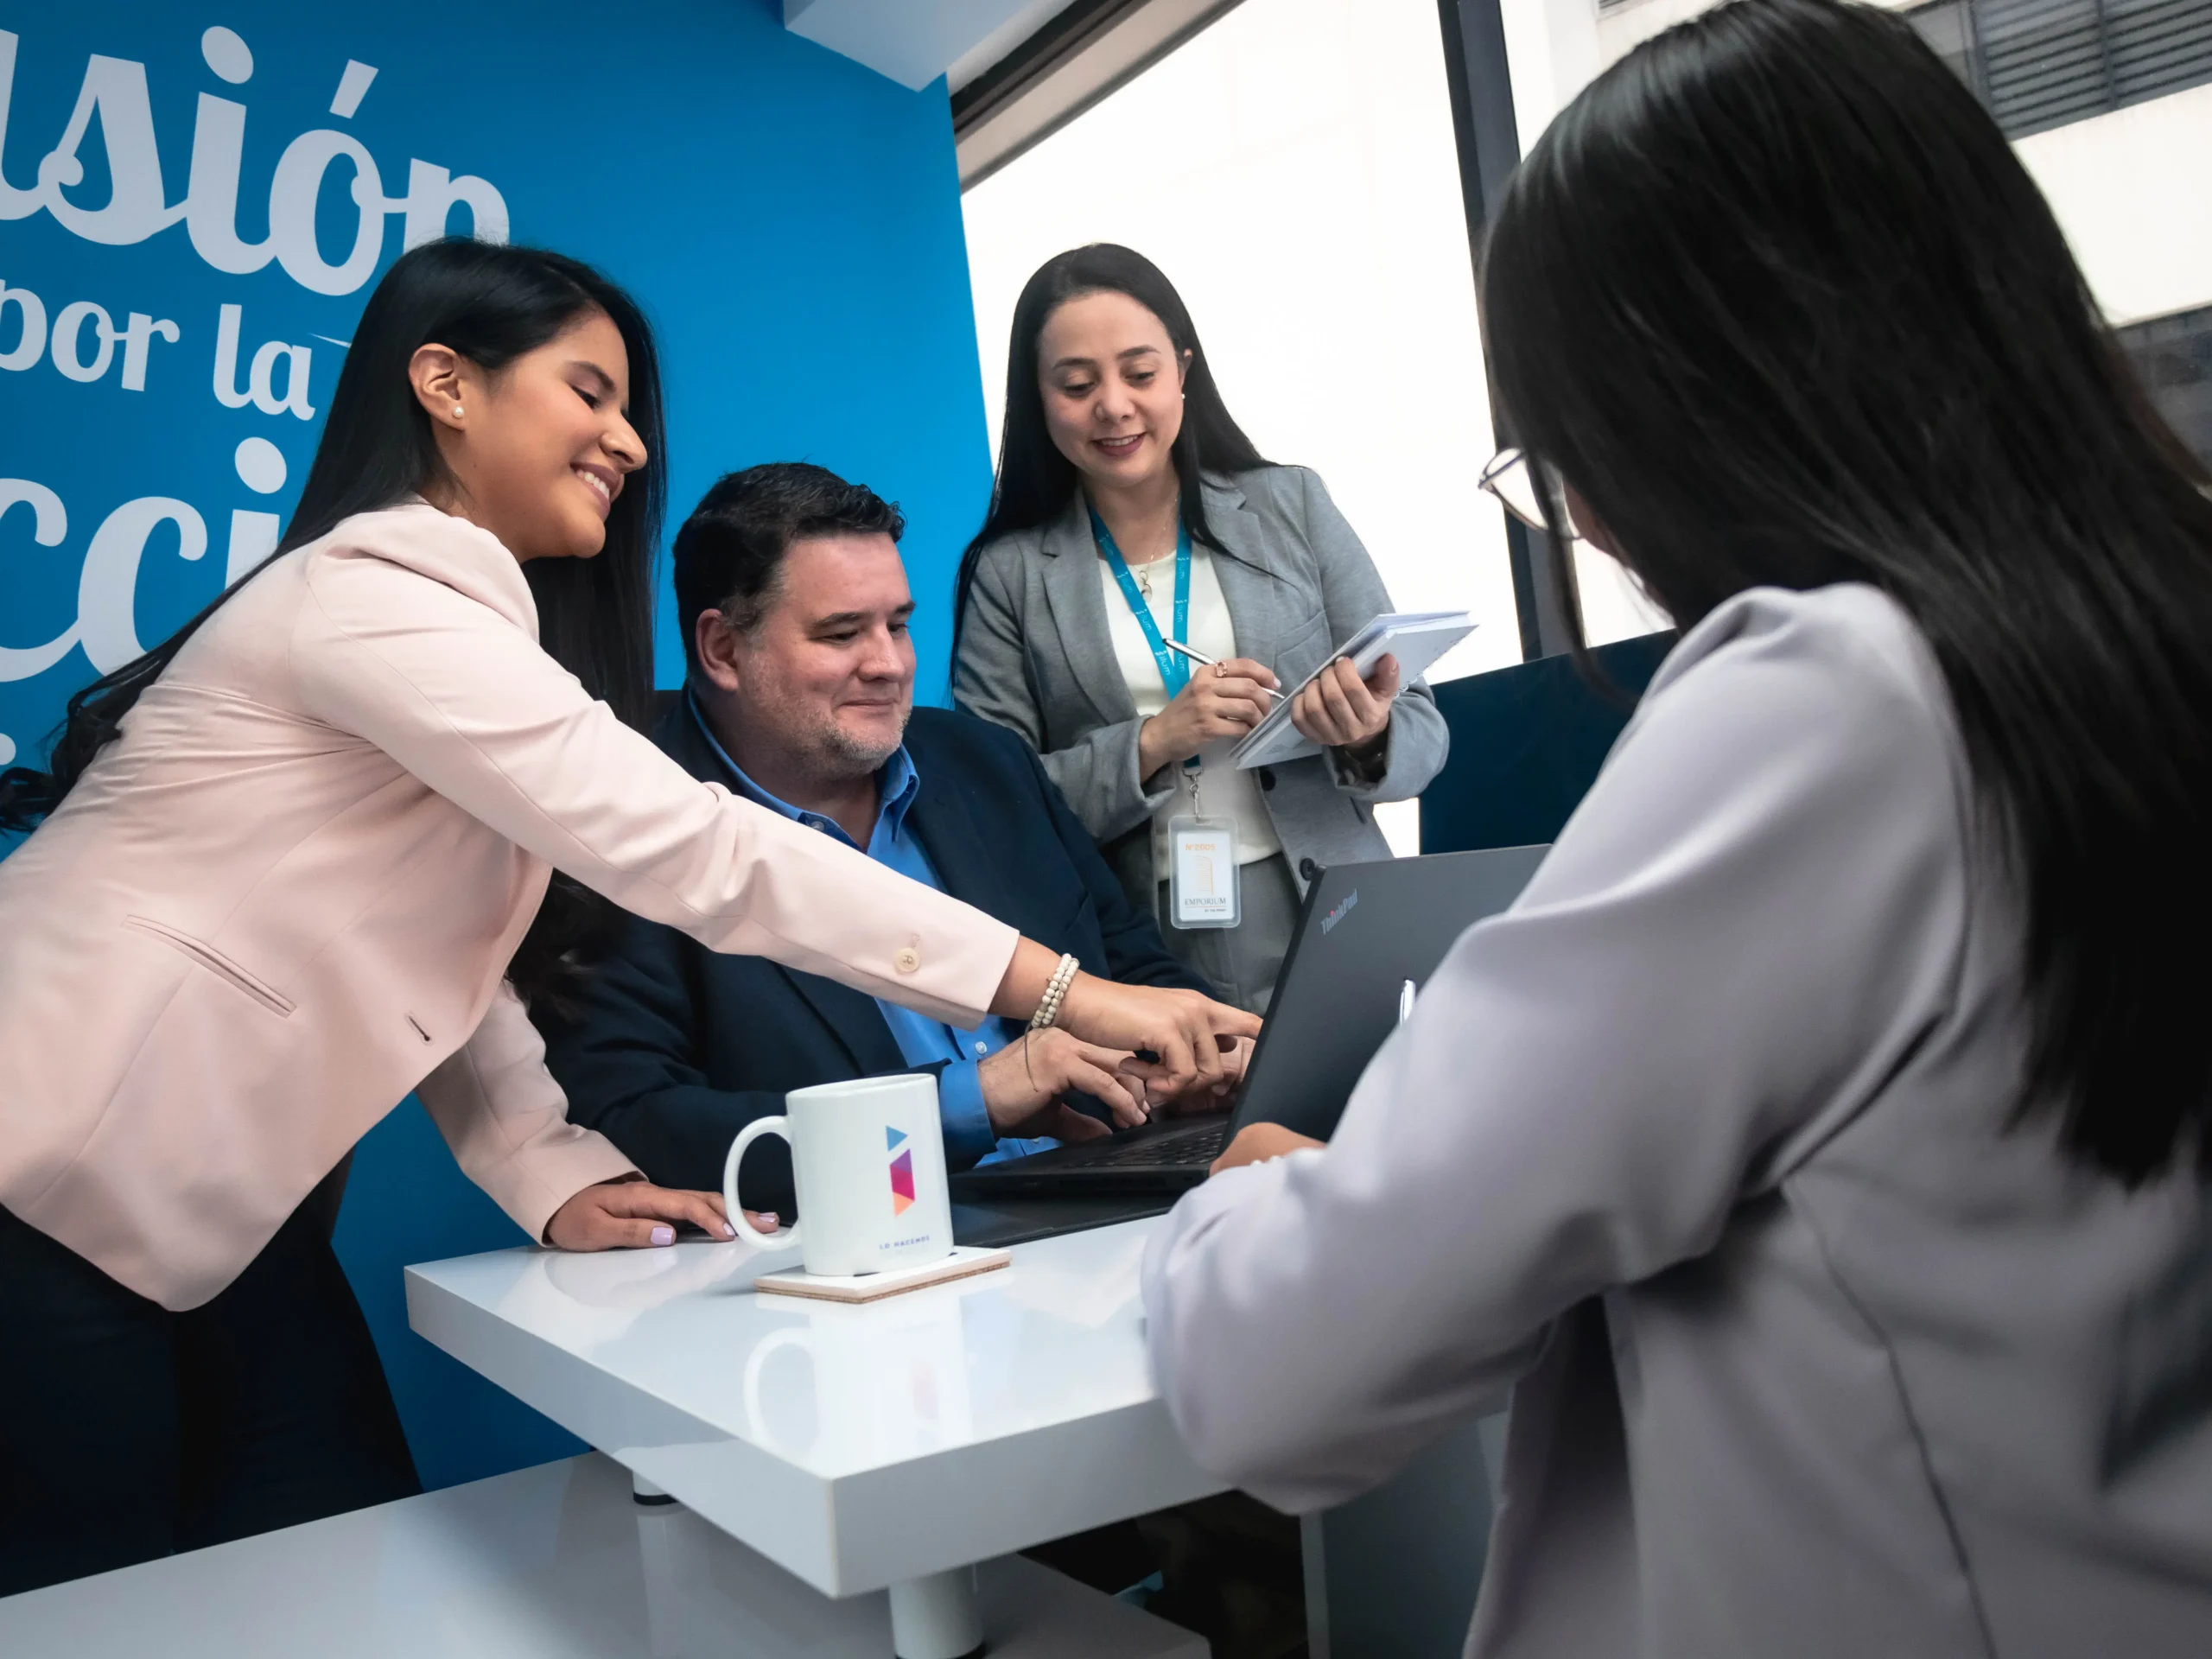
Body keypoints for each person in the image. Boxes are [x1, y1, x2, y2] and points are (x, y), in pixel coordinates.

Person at [1141, 2, 2212, 1656]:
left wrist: (1243, 1206)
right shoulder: (2144, 638)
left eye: (1557, 453)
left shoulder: (1826, 704)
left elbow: (1282, 1371)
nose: (1587, 521)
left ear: (1688, 398)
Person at [0, 239, 1255, 1594]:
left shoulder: (462, 636)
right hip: (41, 1186)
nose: (629, 441)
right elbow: (700, 851)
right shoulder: (371, 597)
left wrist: (551, 1173)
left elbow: (444, 961)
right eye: (588, 393)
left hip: (213, 1217)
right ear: (447, 387)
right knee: (87, 1604)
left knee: (328, 1575)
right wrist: (1059, 991)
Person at [535, 461, 1236, 1206]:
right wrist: (968, 1101)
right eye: (842, 633)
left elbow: (1132, 970)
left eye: (897, 625)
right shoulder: (623, 823)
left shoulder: (985, 762)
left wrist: (1206, 1062)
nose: (890, 665)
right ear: (724, 650)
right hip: (871, 1246)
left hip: (1119, 1206)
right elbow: (634, 1123)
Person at [952, 245, 1450, 1013]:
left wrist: (1366, 733)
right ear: (1038, 398)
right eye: (1077, 385)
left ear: (1183, 370)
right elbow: (992, 805)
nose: (1114, 406)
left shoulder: (1292, 505)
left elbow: (1422, 730)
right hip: (1137, 950)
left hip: (1335, 906)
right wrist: (1153, 742)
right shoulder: (1009, 573)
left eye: (1140, 373)